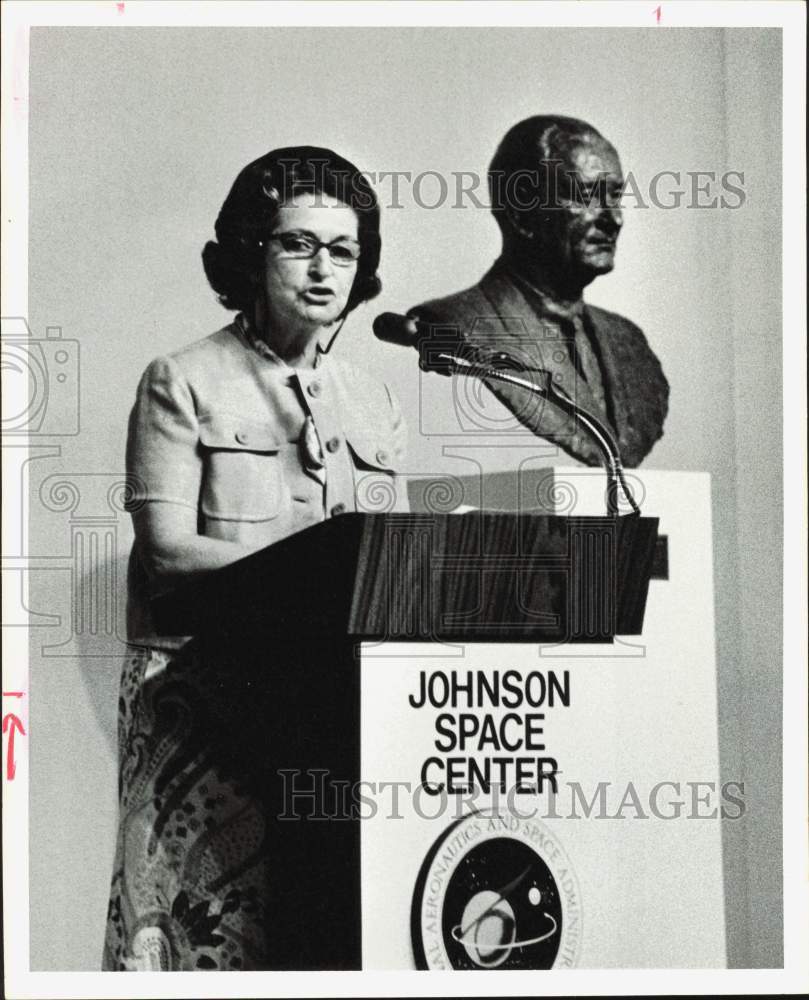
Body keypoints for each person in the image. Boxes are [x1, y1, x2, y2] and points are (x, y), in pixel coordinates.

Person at [103, 147, 406, 971]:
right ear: (249, 252)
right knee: (208, 945)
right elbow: (166, 552)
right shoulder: (182, 379)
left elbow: (384, 560)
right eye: (297, 244)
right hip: (209, 707)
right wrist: (318, 552)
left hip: (334, 709)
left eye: (342, 251)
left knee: (322, 934)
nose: (323, 268)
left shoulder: (370, 396)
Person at [408, 115, 669, 468]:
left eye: (615, 197)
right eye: (586, 196)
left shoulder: (629, 343)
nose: (614, 219)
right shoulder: (460, 325)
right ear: (520, 212)